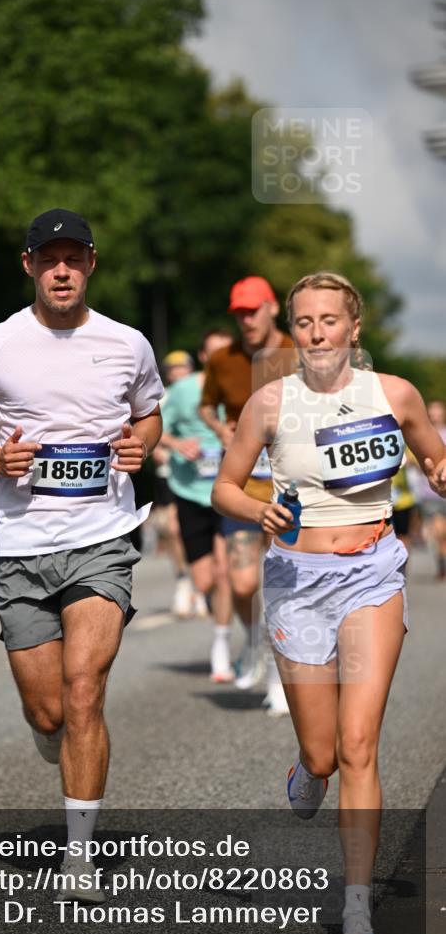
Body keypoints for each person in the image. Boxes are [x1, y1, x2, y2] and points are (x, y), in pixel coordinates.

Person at [212, 271, 446, 934]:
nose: (317, 334)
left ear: (353, 328)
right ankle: (306, 771)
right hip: (297, 581)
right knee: (321, 755)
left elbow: (434, 458)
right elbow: (225, 487)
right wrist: (258, 509)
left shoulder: (393, 394)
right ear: (293, 331)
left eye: (329, 320)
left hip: (372, 574)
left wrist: (439, 471)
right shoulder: (268, 402)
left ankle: (356, 913)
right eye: (305, 322)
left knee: (358, 746)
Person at [0, 209, 163, 898]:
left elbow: (149, 413)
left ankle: (79, 857)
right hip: (21, 545)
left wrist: (142, 444)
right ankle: (53, 736)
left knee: (84, 688)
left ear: (91, 263)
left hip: (101, 537)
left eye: (73, 258)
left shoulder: (127, 343)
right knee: (49, 713)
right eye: (48, 258)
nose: (61, 270)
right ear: (29, 265)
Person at [200, 276, 295, 713]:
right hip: (241, 486)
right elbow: (207, 405)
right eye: (238, 313)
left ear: (272, 308)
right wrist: (222, 430)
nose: (246, 319)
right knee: (241, 583)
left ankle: (279, 672)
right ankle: (254, 641)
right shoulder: (223, 359)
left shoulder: (298, 352)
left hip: (290, 487)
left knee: (281, 584)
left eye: (252, 310)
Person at [160, 329, 235, 680]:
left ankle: (223, 645)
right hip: (190, 490)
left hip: (230, 492)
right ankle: (222, 614)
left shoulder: (244, 389)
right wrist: (177, 444)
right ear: (203, 357)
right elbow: (153, 429)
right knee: (205, 580)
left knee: (226, 571)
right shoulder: (182, 391)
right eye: (214, 353)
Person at [151, 350, 201, 618]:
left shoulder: (203, 392)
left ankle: (203, 586)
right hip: (170, 473)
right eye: (173, 369)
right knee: (173, 528)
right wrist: (159, 448)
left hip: (201, 474)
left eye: (183, 367)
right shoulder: (163, 398)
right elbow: (153, 432)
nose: (179, 372)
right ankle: (183, 581)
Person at [415, 400, 446, 579]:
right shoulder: (422, 435)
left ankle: (442, 558)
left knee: (443, 531)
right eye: (432, 413)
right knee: (438, 530)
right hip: (430, 492)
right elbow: (412, 459)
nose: (435, 416)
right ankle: (442, 562)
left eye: (438, 412)